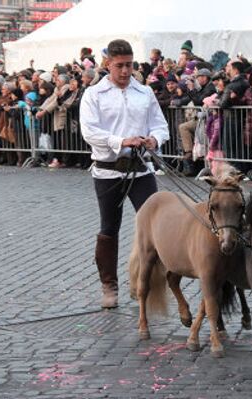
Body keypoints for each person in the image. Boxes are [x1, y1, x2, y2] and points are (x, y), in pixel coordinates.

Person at [80, 39, 170, 308]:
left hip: (141, 169)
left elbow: (161, 125)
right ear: (108, 64)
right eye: (119, 66)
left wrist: (154, 139)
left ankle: (145, 282)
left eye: (129, 65)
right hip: (108, 171)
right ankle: (109, 286)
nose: (125, 71)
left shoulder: (144, 93)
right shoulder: (94, 95)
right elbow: (90, 132)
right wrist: (121, 141)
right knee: (109, 228)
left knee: (155, 227)